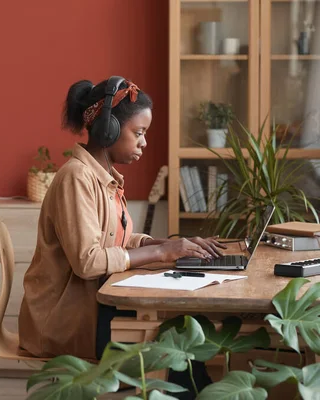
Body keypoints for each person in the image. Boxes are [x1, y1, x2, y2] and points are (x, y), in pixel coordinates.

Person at [17, 76, 227, 398]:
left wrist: (166, 245)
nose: (144, 143)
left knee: (184, 333)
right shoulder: (77, 178)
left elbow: (118, 239)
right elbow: (89, 262)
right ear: (108, 130)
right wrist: (161, 253)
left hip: (92, 307)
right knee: (176, 341)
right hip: (69, 321)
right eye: (139, 133)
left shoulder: (104, 178)